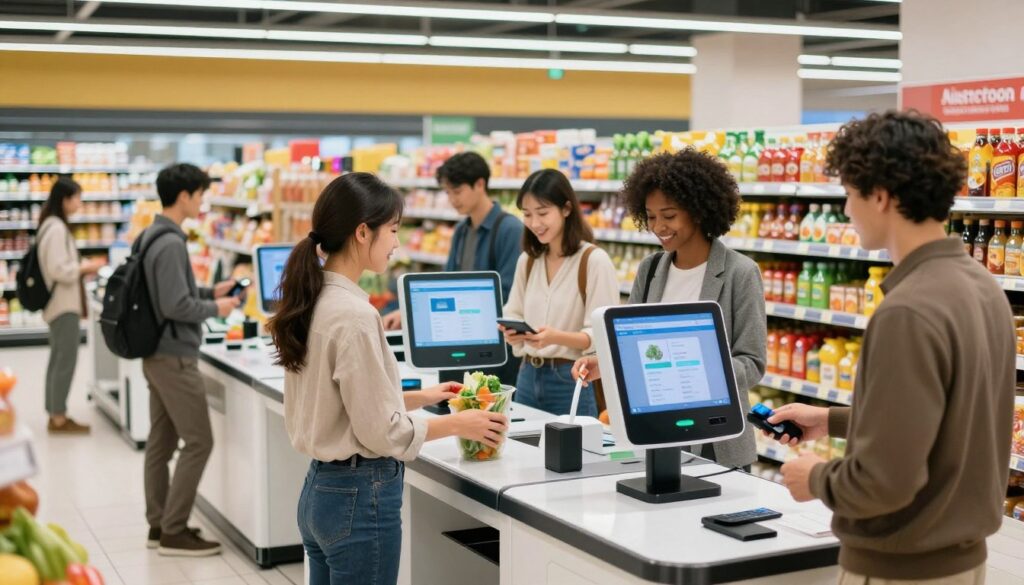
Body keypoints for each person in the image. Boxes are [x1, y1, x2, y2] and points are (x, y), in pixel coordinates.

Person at [766, 111, 1014, 584]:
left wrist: (814, 478)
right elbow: (953, 418)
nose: (844, 212)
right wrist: (836, 420)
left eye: (849, 195)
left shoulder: (907, 310)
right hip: (963, 562)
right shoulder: (982, 286)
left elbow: (884, 483)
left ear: (880, 196)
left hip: (901, 571)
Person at [268, 173, 508, 585]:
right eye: (393, 230)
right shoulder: (357, 316)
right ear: (363, 232)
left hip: (319, 494)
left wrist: (420, 396)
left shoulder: (314, 299)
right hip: (361, 498)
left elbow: (344, 398)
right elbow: (381, 431)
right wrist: (459, 423)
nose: (397, 242)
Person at [572, 149, 765, 469]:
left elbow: (753, 362)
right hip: (653, 430)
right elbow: (629, 346)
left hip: (717, 441)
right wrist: (604, 364)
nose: (658, 226)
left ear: (698, 211)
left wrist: (693, 371)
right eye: (650, 216)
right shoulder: (649, 270)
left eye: (669, 215)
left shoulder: (739, 273)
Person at [142, 163, 241, 557]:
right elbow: (175, 304)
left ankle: (158, 523)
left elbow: (171, 291)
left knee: (161, 442)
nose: (202, 202)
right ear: (184, 196)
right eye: (200, 194)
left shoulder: (154, 235)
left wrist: (207, 289)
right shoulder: (170, 242)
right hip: (174, 356)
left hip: (156, 353)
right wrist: (217, 306)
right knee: (199, 441)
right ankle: (175, 530)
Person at [382, 151, 524, 384]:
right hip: (458, 343)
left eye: (457, 191)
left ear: (480, 184)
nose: (452, 199)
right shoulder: (461, 230)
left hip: (493, 351)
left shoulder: (510, 230)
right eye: (448, 192)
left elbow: (508, 294)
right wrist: (407, 311)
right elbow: (445, 284)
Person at [500, 169, 619, 416]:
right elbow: (513, 311)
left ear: (566, 209)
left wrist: (556, 337)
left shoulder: (594, 261)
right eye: (527, 214)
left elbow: (603, 334)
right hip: (526, 375)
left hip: (573, 378)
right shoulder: (528, 260)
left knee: (576, 453)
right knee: (524, 453)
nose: (534, 223)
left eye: (543, 213)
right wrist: (512, 334)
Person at [37, 177, 104, 434]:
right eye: (77, 197)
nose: (80, 202)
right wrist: (85, 267)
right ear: (65, 199)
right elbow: (58, 269)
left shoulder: (50, 225)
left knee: (58, 358)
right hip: (63, 304)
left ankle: (54, 411)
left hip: (59, 302)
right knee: (65, 359)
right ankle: (58, 418)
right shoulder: (56, 229)